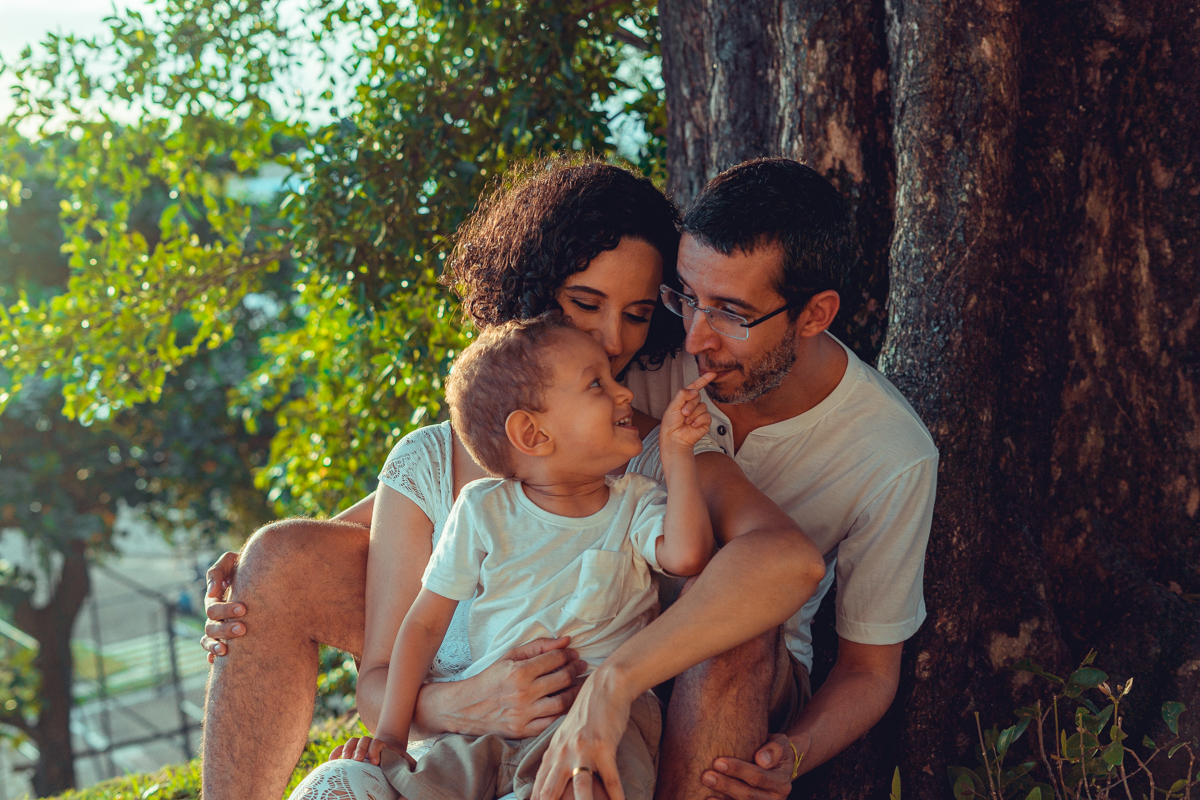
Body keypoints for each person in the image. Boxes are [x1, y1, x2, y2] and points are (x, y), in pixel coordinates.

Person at [198, 158, 827, 800]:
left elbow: (781, 558)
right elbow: (386, 647)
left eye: (638, 313)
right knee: (275, 560)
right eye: (585, 302)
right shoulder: (434, 465)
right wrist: (468, 702)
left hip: (592, 743)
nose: (613, 340)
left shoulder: (653, 458)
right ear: (530, 291)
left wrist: (611, 686)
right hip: (460, 746)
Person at [528, 158, 938, 800]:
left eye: (730, 313)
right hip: (594, 611)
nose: (694, 336)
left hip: (748, 663)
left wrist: (793, 753)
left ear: (814, 314)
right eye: (686, 295)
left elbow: (869, 669)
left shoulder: (891, 452)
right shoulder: (642, 348)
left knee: (736, 625)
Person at [333, 315, 718, 800]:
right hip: (483, 732)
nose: (625, 395)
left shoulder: (636, 501)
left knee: (585, 791)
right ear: (533, 434)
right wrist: (390, 736)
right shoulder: (482, 509)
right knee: (374, 786)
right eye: (597, 384)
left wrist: (678, 453)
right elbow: (424, 625)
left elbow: (687, 555)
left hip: (593, 726)